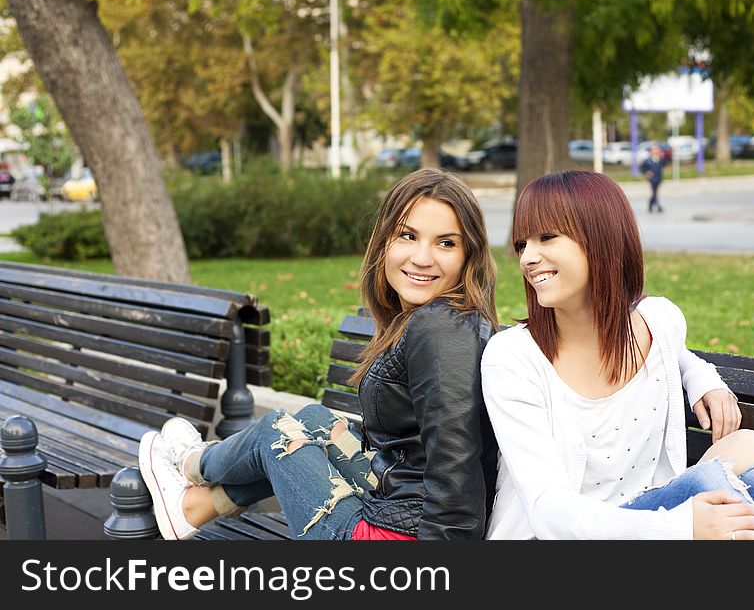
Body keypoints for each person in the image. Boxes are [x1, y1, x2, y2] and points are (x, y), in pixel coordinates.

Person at [139, 168, 500, 540]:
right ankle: (191, 508)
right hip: (399, 505)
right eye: (408, 236)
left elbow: (457, 462)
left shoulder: (441, 327)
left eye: (446, 243)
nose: (422, 258)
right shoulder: (441, 319)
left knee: (273, 433)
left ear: (468, 255)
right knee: (314, 420)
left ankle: (187, 464)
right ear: (384, 243)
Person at [480, 169, 754, 540]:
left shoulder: (659, 322)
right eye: (522, 245)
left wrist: (701, 376)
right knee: (711, 483)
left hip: (651, 523)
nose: (528, 259)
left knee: (747, 445)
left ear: (602, 238)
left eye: (547, 238)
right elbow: (549, 510)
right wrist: (680, 526)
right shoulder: (512, 358)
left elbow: (675, 351)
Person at [640, 143, 667, 213]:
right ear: (651, 152)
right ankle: (658, 206)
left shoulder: (660, 160)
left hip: (658, 179)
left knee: (654, 193)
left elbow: (665, 163)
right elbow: (642, 168)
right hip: (652, 180)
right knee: (654, 193)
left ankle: (650, 206)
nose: (656, 152)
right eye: (654, 150)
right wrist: (647, 172)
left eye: (657, 150)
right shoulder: (648, 161)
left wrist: (662, 156)